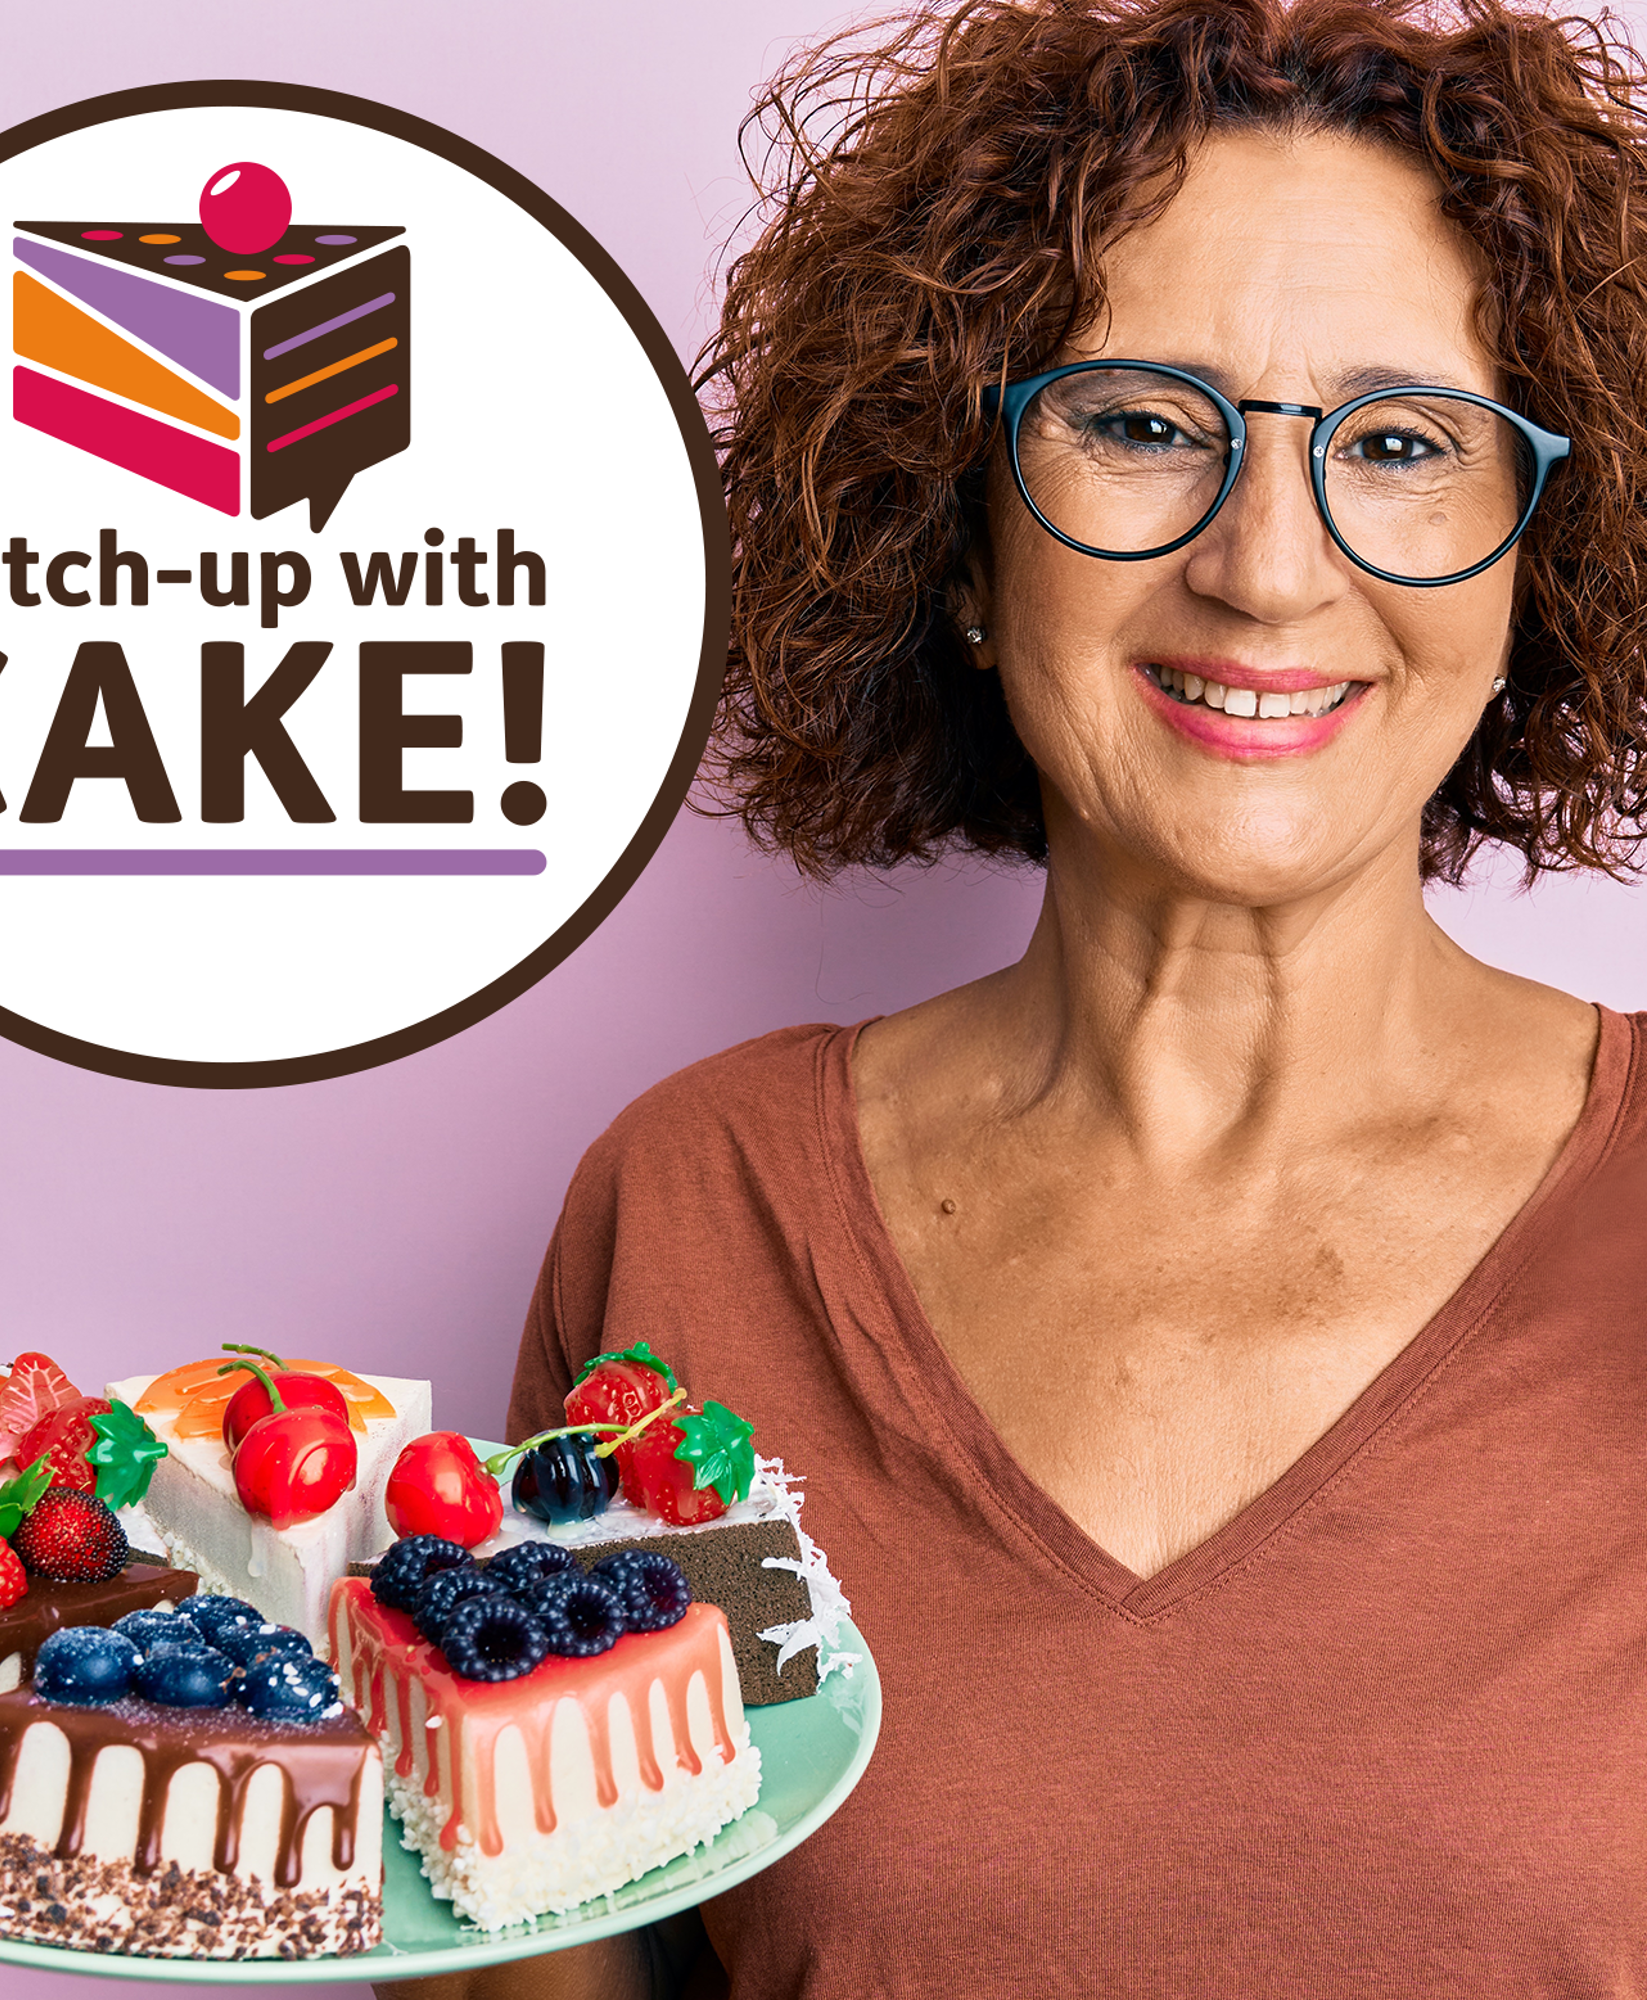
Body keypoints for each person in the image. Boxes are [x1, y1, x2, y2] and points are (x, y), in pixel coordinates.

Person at [387, 0, 1647, 1991]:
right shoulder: (699, 1213)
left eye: (1398, 445)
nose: (1264, 567)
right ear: (958, 530)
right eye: (1141, 421)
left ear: (1533, 564)